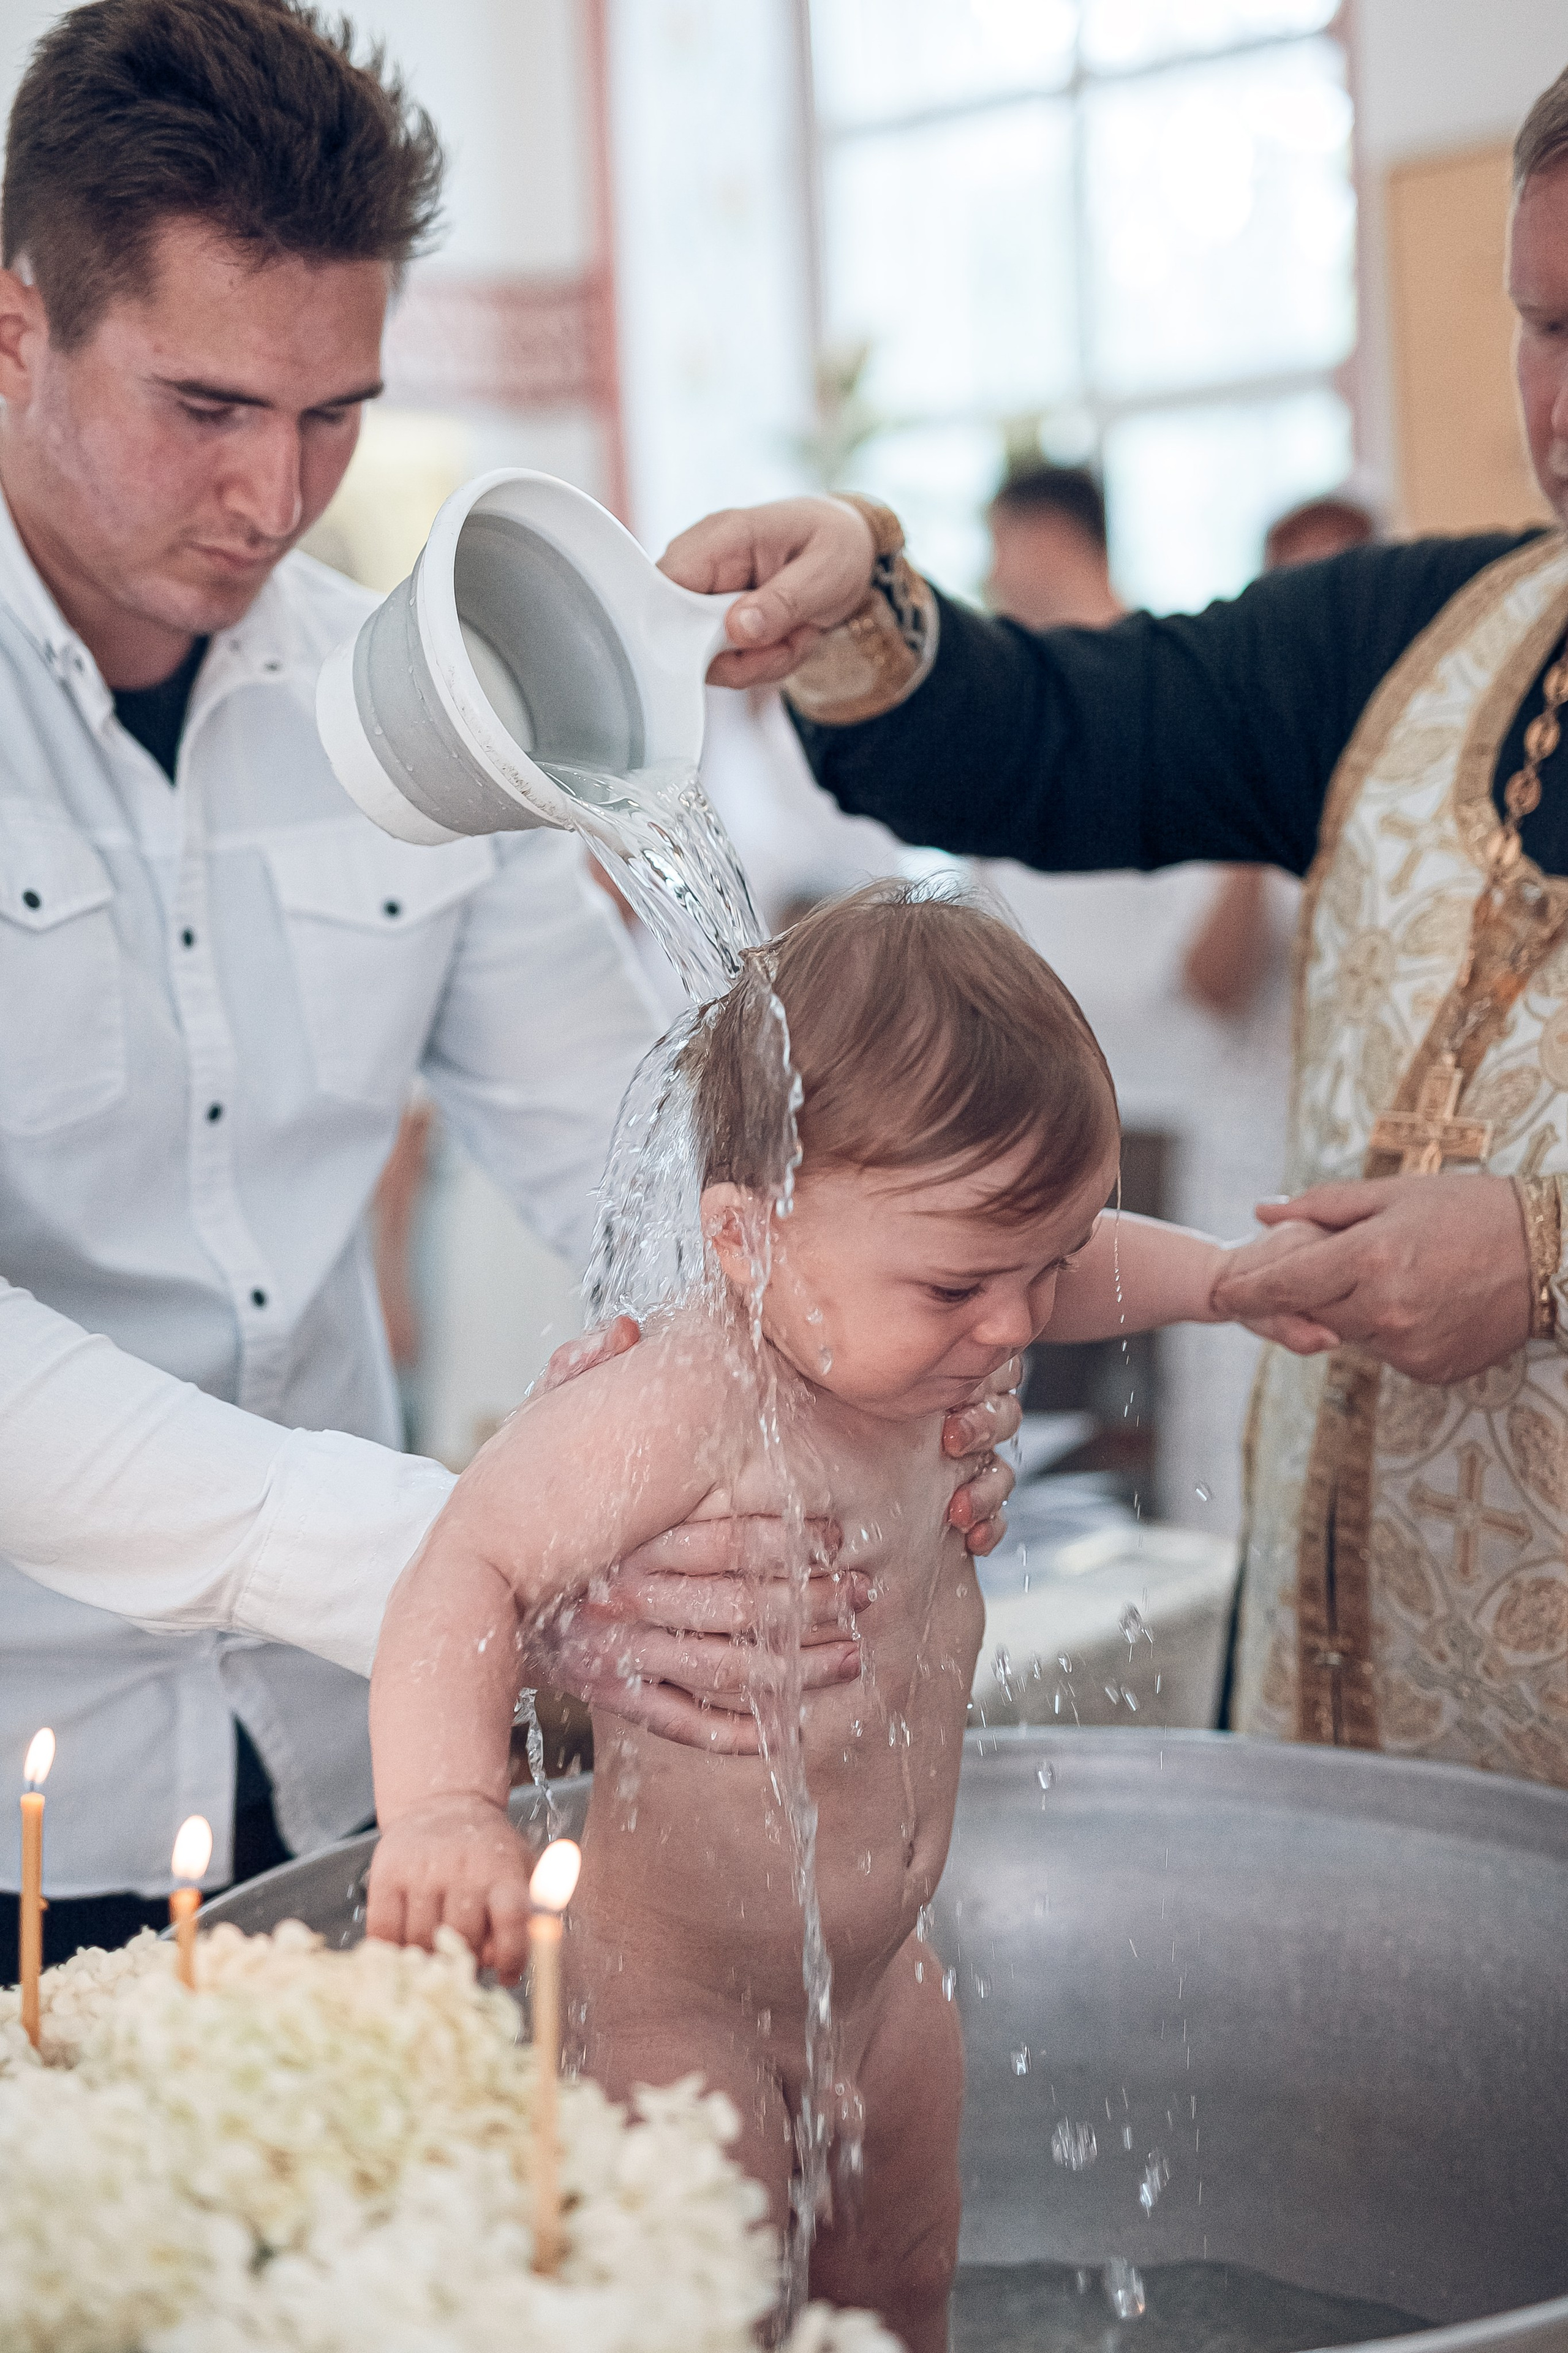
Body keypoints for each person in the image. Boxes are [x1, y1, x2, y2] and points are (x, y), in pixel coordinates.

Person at [0, 0, 1016, 1979]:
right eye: (207, 408)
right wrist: (478, 1559)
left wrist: (850, 1371)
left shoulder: (403, 699)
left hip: (363, 1751)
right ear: (16, 328)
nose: (277, 496)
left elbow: (638, 1159)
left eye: (334, 413)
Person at [658, 67, 1568, 1786]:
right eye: (1548, 326)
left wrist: (1545, 1255)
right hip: (1354, 1683)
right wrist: (865, 605)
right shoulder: (1422, 639)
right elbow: (1074, 730)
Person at [363, 886, 1322, 2350]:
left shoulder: (932, 1327)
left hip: (879, 1986)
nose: (1013, 1324)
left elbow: (1056, 1253)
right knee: (712, 2318)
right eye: (957, 1284)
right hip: (664, 2008)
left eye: (1042, 1268)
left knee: (897, 2291)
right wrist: (441, 1808)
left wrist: (1223, 1282)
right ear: (745, 1242)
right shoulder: (686, 1400)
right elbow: (463, 1566)